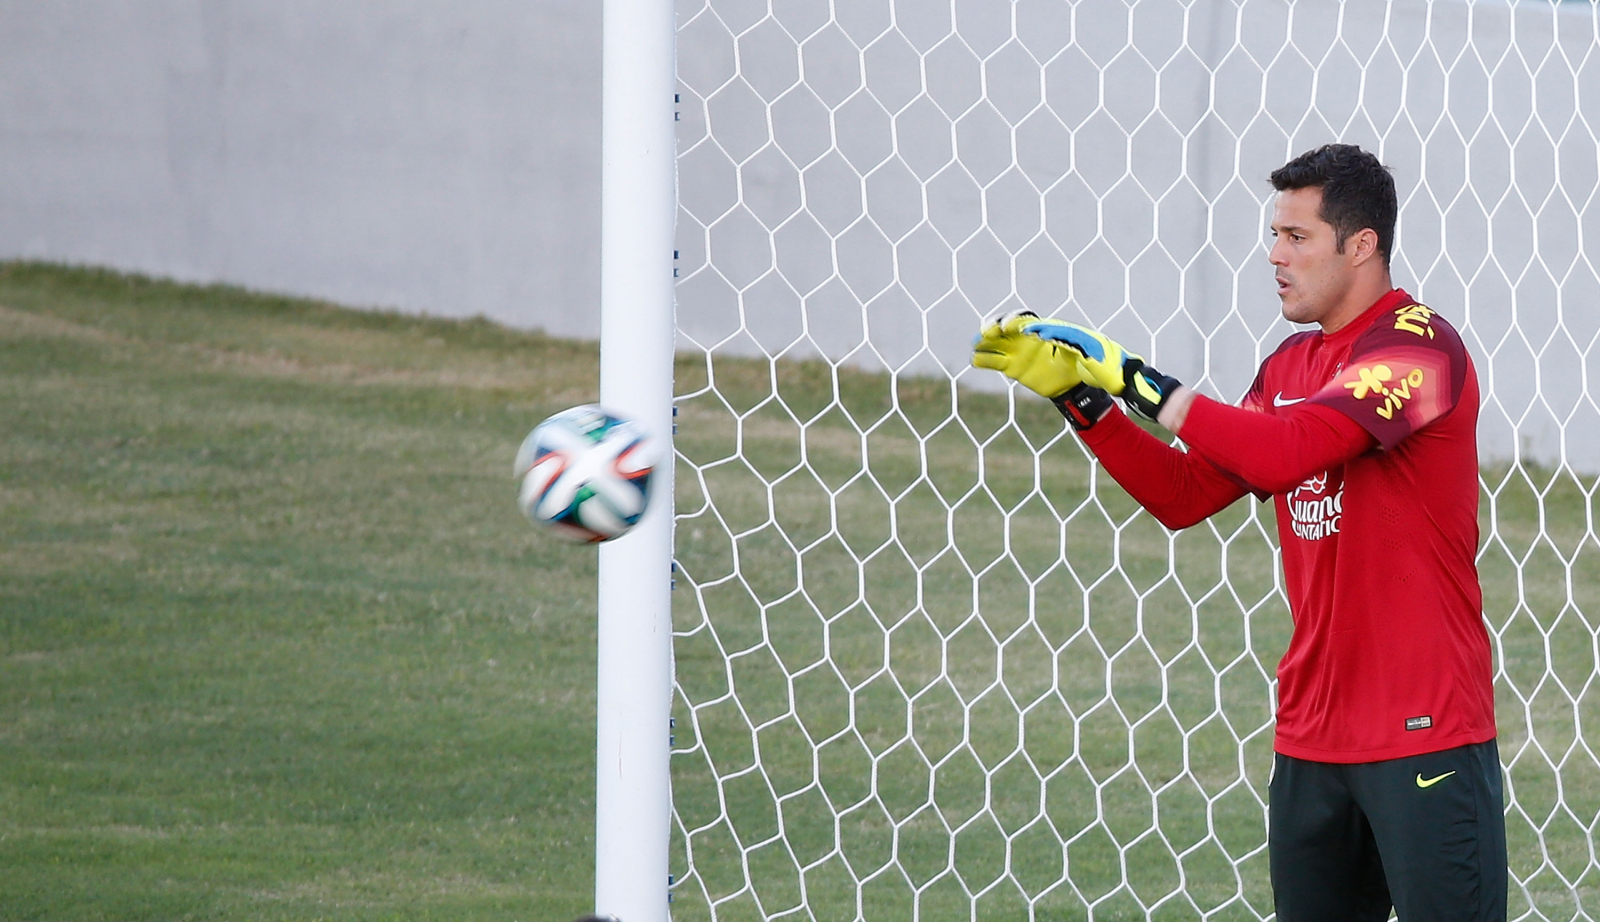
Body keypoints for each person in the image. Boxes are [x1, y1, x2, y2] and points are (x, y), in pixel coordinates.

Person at [973, 144, 1505, 922]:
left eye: (1297, 237)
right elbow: (1185, 494)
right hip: (1312, 738)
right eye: (1274, 234)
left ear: (1361, 246)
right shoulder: (1288, 366)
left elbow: (1291, 450)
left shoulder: (1419, 349)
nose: (1274, 255)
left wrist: (1138, 379)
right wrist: (1082, 400)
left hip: (1425, 733)